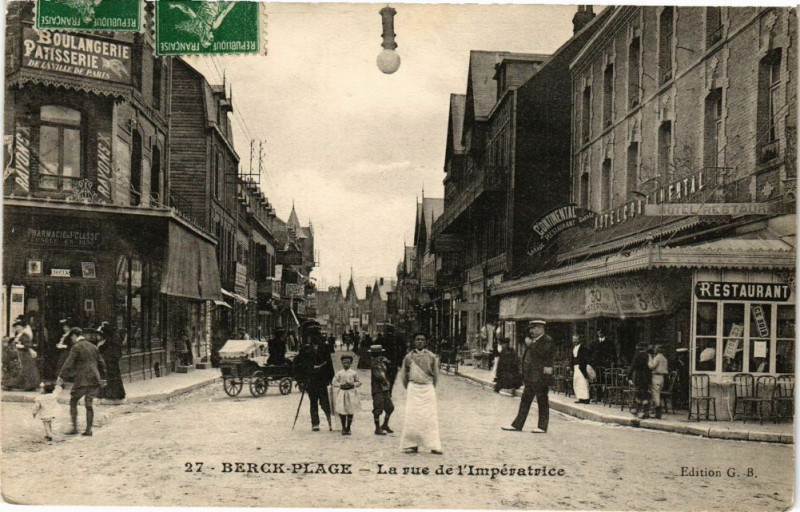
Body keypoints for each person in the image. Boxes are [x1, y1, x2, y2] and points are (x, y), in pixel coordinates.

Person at [502, 319, 555, 434]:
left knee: (542, 401)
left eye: (534, 328)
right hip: (531, 377)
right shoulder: (534, 341)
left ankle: (542, 427)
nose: (531, 331)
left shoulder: (547, 341)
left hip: (541, 377)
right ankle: (517, 425)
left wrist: (531, 345)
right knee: (525, 400)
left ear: (541, 328)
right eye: (531, 328)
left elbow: (543, 355)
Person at [57, 327, 106, 436]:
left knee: (73, 401)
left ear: (74, 336)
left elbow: (68, 363)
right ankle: (88, 430)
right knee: (89, 404)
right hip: (94, 379)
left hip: (82, 379)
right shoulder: (93, 346)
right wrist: (103, 378)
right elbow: (102, 364)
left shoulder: (76, 347)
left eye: (71, 338)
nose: (71, 340)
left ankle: (74, 427)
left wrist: (61, 376)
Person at [400, 332, 442, 455]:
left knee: (430, 417)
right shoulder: (408, 357)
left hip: (427, 388)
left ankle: (433, 445)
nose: (419, 342)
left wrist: (430, 387)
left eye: (422, 340)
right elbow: (404, 375)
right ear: (414, 341)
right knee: (412, 417)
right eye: (417, 339)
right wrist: (410, 386)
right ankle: (412, 444)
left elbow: (436, 375)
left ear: (425, 342)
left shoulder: (431, 356)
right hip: (413, 388)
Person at [293, 336, 334, 431]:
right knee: (313, 401)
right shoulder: (305, 349)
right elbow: (299, 364)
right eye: (313, 334)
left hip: (322, 380)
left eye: (317, 334)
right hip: (310, 380)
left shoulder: (324, 348)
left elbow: (329, 363)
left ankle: (329, 422)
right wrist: (301, 380)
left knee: (325, 402)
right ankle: (315, 423)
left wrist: (332, 378)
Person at [332, 354, 361, 435]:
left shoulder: (353, 373)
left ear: (351, 363)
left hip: (351, 393)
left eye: (348, 363)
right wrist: (341, 385)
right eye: (344, 363)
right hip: (342, 393)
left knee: (350, 409)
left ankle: (348, 427)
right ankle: (343, 427)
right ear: (342, 363)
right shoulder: (339, 373)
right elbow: (334, 382)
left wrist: (353, 385)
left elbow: (359, 382)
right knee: (342, 409)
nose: (346, 364)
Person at [10, 316, 41, 391]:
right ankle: (17, 384)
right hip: (19, 354)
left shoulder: (25, 335)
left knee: (25, 370)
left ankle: (28, 385)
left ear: (22, 327)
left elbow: (28, 345)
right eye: (16, 327)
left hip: (24, 354)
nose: (17, 328)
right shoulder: (19, 335)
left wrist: (19, 345)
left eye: (18, 327)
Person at [370, 344, 394, 435]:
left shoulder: (381, 361)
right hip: (378, 389)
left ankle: (385, 425)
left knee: (390, 407)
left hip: (384, 389)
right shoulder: (375, 363)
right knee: (378, 408)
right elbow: (378, 375)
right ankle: (377, 428)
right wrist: (385, 381)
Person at [97, 322, 125, 400]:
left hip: (110, 360)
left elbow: (101, 349)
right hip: (113, 361)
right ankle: (117, 393)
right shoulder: (114, 340)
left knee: (111, 377)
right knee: (115, 377)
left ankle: (112, 393)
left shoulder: (108, 341)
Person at [629, 342, 652, 419]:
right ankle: (645, 411)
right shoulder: (648, 356)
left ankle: (637, 410)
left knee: (638, 392)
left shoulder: (637, 356)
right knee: (645, 393)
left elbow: (632, 367)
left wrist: (628, 376)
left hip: (638, 376)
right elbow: (650, 367)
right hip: (646, 376)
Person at [648, 344, 669, 419]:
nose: (654, 349)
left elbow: (651, 366)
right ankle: (657, 410)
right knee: (658, 393)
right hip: (662, 377)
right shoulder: (664, 358)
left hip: (656, 376)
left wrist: (650, 359)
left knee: (655, 394)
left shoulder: (657, 357)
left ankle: (658, 411)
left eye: (655, 348)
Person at [571, 334, 591, 404]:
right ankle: (580, 397)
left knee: (583, 382)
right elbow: (573, 358)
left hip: (581, 367)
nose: (575, 341)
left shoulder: (583, 348)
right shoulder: (574, 348)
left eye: (576, 339)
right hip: (575, 367)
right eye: (574, 339)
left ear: (579, 340)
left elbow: (586, 358)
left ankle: (586, 398)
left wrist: (584, 366)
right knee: (576, 382)